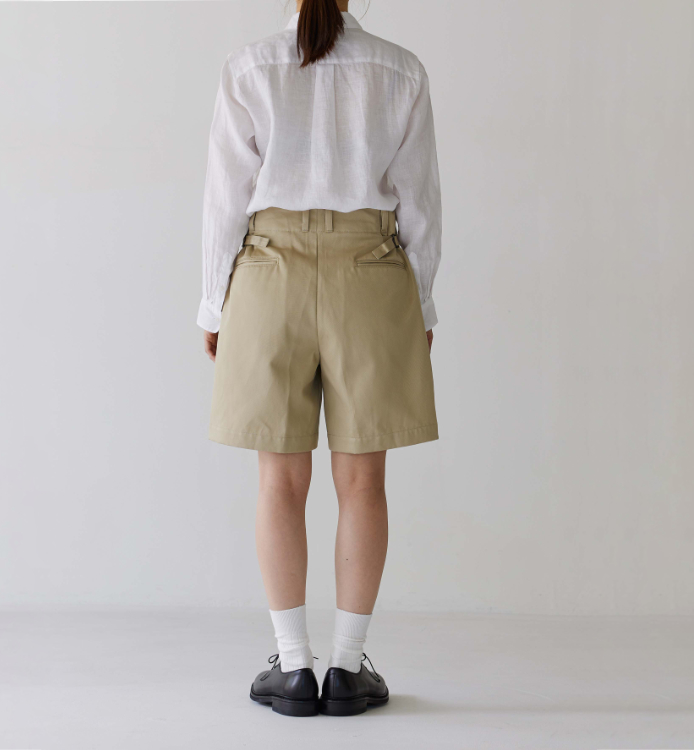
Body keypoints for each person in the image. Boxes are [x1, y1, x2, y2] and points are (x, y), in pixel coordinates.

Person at [198, 0, 441, 717]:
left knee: (280, 479)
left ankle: (294, 666)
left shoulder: (249, 67)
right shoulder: (401, 70)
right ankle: (347, 666)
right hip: (371, 273)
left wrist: (214, 304)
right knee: (363, 481)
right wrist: (421, 306)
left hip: (268, 272)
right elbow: (421, 204)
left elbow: (225, 199)